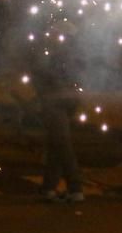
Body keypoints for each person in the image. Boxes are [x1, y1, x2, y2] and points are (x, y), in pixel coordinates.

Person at [30, 18, 84, 202]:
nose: (50, 37)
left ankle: (75, 187)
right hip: (67, 100)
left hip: (56, 101)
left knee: (61, 144)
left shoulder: (58, 55)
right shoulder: (71, 54)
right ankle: (48, 187)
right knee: (57, 144)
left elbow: (46, 77)